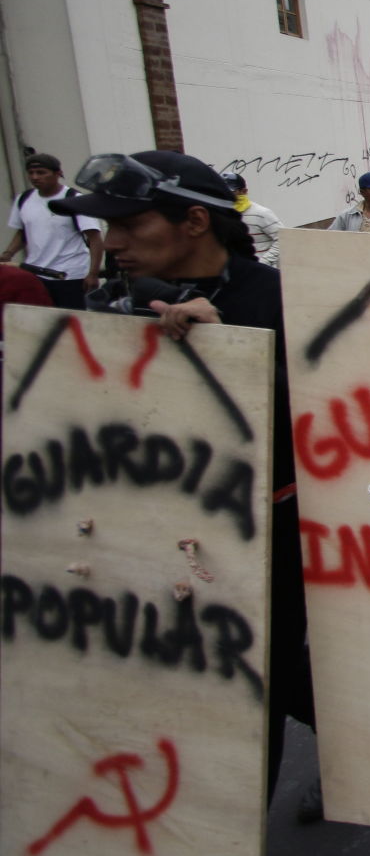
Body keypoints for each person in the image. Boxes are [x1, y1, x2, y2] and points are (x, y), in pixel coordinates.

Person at [52, 151, 315, 809]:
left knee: (257, 684)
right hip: (148, 533)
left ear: (195, 220)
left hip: (267, 532)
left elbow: (332, 424)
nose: (111, 244)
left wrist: (230, 353)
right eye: (105, 229)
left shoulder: (279, 297)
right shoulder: (114, 304)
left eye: (128, 226)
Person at [2, 152, 103, 307]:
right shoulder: (24, 199)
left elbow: (95, 237)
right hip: (35, 273)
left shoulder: (73, 198)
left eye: (41, 173)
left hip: (69, 275)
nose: (35, 177)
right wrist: (8, 254)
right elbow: (23, 232)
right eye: (31, 173)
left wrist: (93, 274)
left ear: (57, 174)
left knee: (68, 319)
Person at [221, 173, 286, 266]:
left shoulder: (261, 213)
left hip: (263, 273)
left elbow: (282, 239)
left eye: (231, 192)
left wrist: (263, 262)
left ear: (244, 191)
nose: (226, 195)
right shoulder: (223, 215)